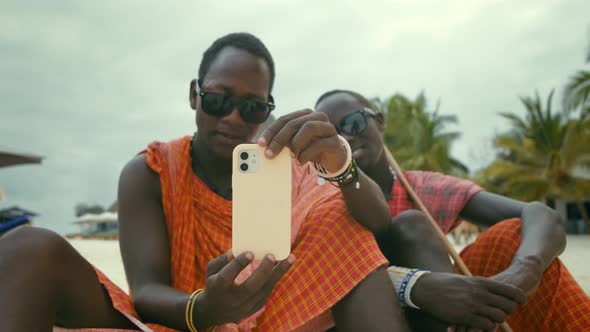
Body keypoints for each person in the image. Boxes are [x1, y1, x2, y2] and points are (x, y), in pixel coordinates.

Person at [0, 34, 410, 331]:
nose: (232, 118)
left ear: (268, 109)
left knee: (340, 212)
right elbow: (145, 291)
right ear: (195, 95)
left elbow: (376, 222)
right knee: (27, 247)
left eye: (251, 107)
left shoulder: (291, 166)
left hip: (272, 317)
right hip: (179, 323)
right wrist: (207, 309)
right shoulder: (152, 171)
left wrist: (341, 167)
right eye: (218, 100)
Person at [315, 89, 590, 332]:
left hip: (448, 313)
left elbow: (541, 215)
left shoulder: (422, 188)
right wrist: (416, 287)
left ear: (379, 120)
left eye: (353, 123)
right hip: (367, 318)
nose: (346, 137)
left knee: (512, 235)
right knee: (410, 225)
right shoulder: (323, 204)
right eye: (333, 135)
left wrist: (521, 274)